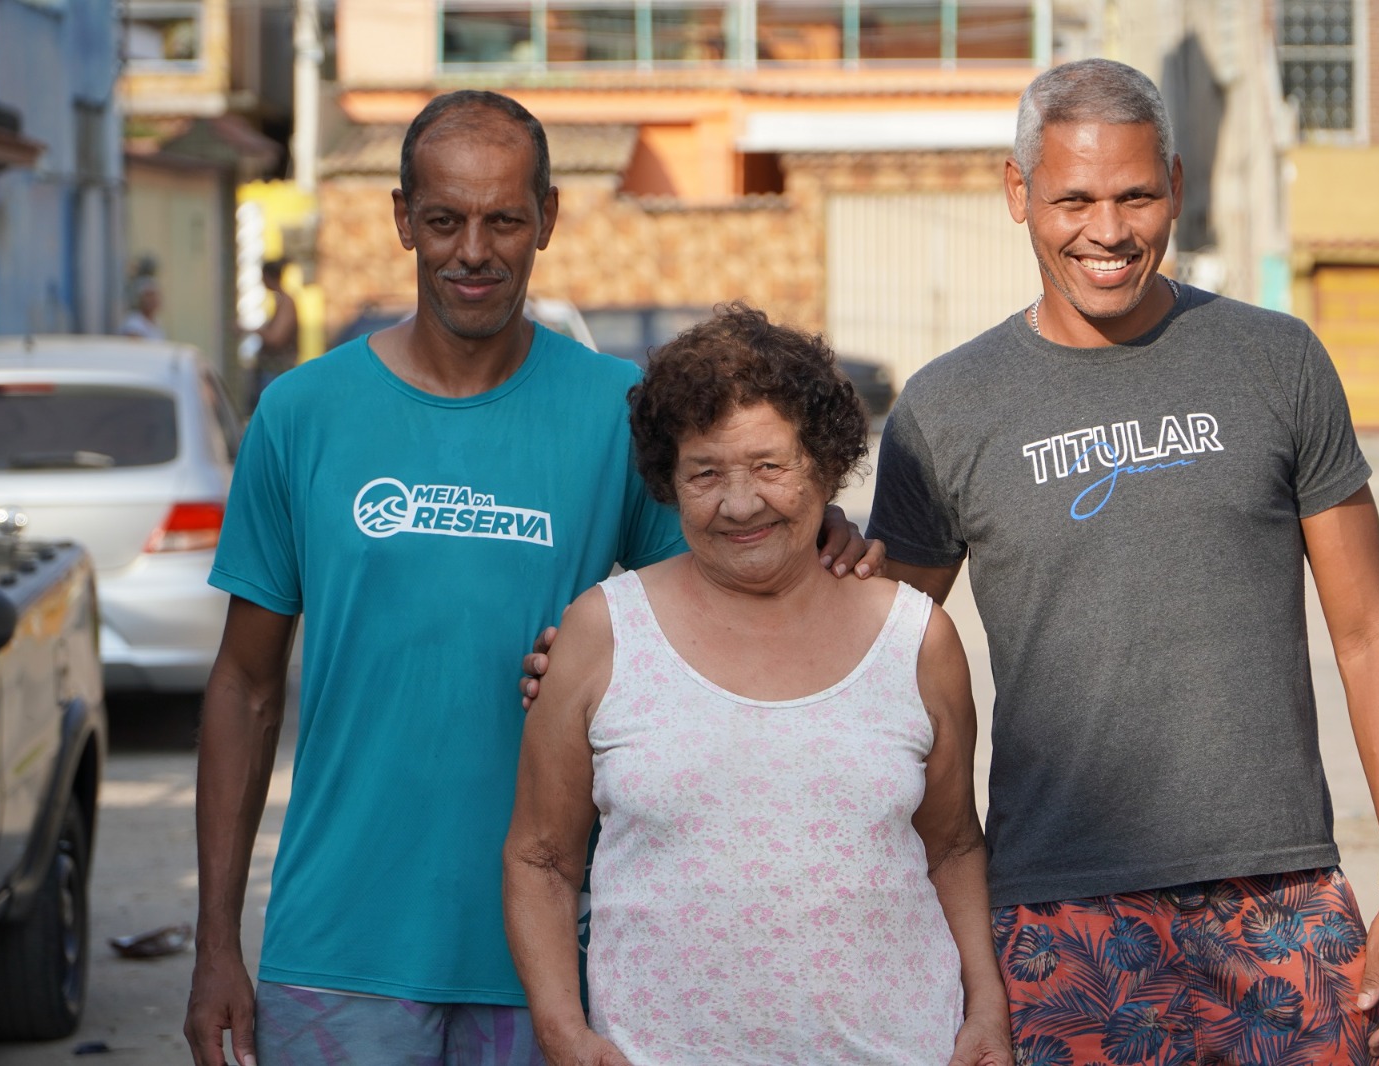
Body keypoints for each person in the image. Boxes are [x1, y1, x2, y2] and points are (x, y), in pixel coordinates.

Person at [182, 91, 877, 1066]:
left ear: (547, 217)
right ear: (401, 220)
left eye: (504, 218)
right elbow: (245, 686)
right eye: (444, 220)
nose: (474, 249)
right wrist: (215, 941)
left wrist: (814, 528)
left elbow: (721, 607)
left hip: (564, 954)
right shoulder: (302, 416)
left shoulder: (621, 415)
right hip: (341, 948)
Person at [864, 58, 1379, 1065]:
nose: (1108, 229)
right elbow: (869, 664)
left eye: (1136, 194)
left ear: (1175, 182)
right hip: (1055, 913)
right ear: (1017, 193)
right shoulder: (946, 410)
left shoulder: (1275, 360)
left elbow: (1368, 629)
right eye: (1074, 197)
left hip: (1282, 900)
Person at [503, 304, 1012, 1066]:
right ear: (668, 483)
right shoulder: (603, 633)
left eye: (770, 467)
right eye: (705, 473)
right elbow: (541, 857)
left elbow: (952, 846)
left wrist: (987, 1011)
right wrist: (562, 1031)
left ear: (827, 463)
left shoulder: (916, 639)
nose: (740, 504)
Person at [251, 258, 299, 403]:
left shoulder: (286, 302)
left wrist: (254, 330)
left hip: (277, 368)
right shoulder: (279, 301)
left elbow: (276, 337)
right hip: (272, 368)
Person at [121, 274, 165, 339]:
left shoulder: (157, 324)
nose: (153, 299)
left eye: (155, 295)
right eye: (149, 295)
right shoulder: (133, 323)